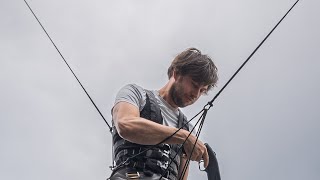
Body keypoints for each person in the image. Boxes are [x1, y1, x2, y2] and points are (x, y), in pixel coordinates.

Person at [109, 48, 218, 180]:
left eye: (202, 90)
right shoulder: (136, 94)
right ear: (176, 73)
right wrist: (182, 137)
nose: (196, 94)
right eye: (194, 85)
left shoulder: (188, 130)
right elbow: (125, 125)